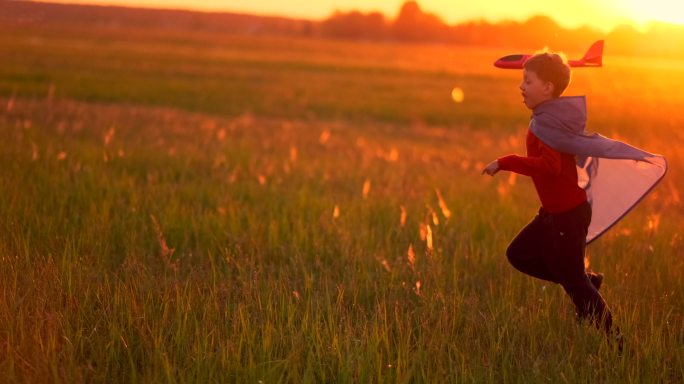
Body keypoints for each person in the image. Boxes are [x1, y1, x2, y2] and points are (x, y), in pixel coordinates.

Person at [481, 52, 617, 337]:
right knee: (518, 254)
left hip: (568, 216)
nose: (521, 86)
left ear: (548, 88)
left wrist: (505, 162)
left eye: (528, 81)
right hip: (554, 214)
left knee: (576, 284)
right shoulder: (548, 115)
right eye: (522, 80)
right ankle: (586, 281)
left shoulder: (548, 123)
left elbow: (550, 167)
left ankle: (617, 343)